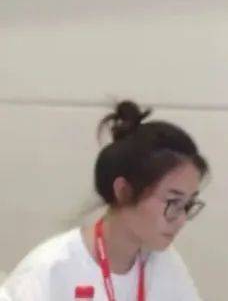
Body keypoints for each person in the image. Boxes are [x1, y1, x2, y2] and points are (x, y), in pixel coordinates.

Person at [1, 101, 208, 300]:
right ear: (124, 191)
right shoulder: (50, 269)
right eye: (173, 202)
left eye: (188, 205)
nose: (181, 219)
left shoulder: (165, 265)